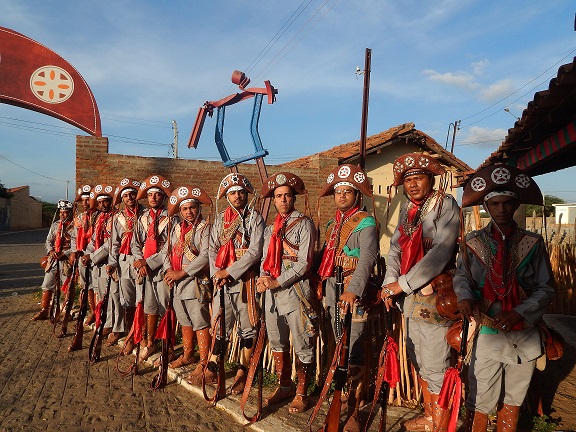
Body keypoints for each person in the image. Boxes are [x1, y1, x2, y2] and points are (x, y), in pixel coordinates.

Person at [454, 165, 555, 432]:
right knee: (481, 398)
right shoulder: (472, 242)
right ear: (486, 205)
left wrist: (519, 313)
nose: (501, 209)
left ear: (515, 205)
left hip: (525, 332)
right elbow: (461, 276)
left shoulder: (533, 243)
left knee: (514, 398)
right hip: (486, 330)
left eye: (507, 203)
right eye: (495, 203)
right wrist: (464, 296)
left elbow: (546, 288)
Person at [381, 153, 460, 432]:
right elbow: (395, 249)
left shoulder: (444, 204)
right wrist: (390, 283)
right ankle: (429, 416)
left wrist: (401, 284)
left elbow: (441, 251)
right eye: (408, 180)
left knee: (436, 359)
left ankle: (440, 424)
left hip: (434, 294)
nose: (413, 185)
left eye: (418, 178)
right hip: (410, 295)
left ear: (431, 179)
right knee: (418, 356)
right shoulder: (407, 210)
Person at [317, 164, 378, 432]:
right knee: (339, 346)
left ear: (357, 195)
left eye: (347, 192)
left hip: (353, 294)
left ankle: (355, 407)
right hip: (333, 290)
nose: (341, 196)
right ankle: (341, 397)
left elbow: (367, 258)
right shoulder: (333, 224)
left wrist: (354, 289)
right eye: (338, 192)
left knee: (354, 350)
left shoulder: (365, 222)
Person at [256, 172, 316, 413]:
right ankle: (285, 385)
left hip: (295, 291)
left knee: (302, 341)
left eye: (287, 196)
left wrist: (276, 281)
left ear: (294, 198)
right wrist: (263, 278)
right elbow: (263, 257)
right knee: (277, 340)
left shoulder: (304, 224)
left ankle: (301, 391)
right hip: (271, 293)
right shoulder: (270, 228)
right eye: (278, 196)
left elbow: (304, 263)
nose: (283, 200)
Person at [207, 172, 264, 395]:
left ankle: (243, 370)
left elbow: (254, 251)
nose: (238, 196)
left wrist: (228, 272)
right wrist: (216, 274)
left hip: (244, 279)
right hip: (221, 279)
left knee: (248, 325)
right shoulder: (221, 219)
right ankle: (213, 365)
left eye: (241, 192)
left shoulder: (255, 218)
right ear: (227, 196)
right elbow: (212, 248)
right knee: (220, 323)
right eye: (233, 192)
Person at [158, 186, 213, 384]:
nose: (189, 212)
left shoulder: (205, 228)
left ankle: (204, 361)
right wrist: (167, 271)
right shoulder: (175, 228)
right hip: (176, 283)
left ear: (198, 208)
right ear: (180, 211)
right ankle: (189, 353)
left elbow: (206, 255)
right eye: (185, 209)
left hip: (194, 282)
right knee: (184, 320)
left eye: (192, 208)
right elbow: (166, 251)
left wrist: (181, 272)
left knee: (200, 321)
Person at [131, 174, 173, 361]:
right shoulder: (142, 218)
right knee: (149, 307)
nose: (153, 198)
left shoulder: (172, 218)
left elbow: (169, 247)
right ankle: (149, 342)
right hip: (145, 270)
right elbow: (135, 244)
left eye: (157, 195)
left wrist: (148, 262)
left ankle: (168, 345)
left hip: (162, 269)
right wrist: (140, 261)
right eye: (150, 195)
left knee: (165, 307)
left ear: (163, 197)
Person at [81, 184, 124, 345]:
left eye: (106, 201)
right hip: (97, 262)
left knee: (114, 296)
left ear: (111, 201)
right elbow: (93, 240)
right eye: (100, 203)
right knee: (101, 294)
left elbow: (111, 243)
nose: (103, 205)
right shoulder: (98, 218)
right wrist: (87, 253)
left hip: (110, 261)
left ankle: (117, 328)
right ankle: (106, 322)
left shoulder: (117, 217)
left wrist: (92, 256)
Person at [108, 178, 144, 354]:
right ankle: (130, 335)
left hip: (141, 260)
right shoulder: (118, 218)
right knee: (127, 300)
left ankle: (142, 336)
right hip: (124, 261)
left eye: (132, 194)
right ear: (122, 199)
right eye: (126, 196)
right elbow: (114, 243)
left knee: (142, 300)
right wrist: (112, 262)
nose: (130, 198)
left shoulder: (145, 214)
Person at [32, 200, 76, 321]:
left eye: (65, 212)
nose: (62, 215)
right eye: (61, 212)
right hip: (53, 259)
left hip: (67, 260)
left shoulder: (75, 226)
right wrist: (51, 251)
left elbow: (75, 245)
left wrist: (64, 253)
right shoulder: (56, 225)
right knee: (47, 284)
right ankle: (44, 310)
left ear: (70, 213)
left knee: (67, 287)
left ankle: (66, 312)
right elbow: (48, 241)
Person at [70, 184, 96, 326]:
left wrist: (89, 253)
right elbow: (74, 237)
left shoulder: (98, 216)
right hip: (81, 256)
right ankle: (86, 310)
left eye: (88, 200)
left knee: (94, 286)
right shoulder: (79, 218)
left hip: (94, 256)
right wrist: (75, 251)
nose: (85, 203)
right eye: (83, 200)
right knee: (85, 285)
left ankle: (96, 312)